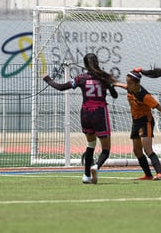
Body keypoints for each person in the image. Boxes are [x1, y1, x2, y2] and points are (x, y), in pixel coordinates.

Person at [43, 53, 118, 184]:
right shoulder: (104, 78)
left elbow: (61, 87)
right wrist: (111, 85)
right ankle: (96, 166)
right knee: (106, 149)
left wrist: (47, 79)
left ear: (85, 64)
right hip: (100, 113)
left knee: (90, 144)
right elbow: (115, 95)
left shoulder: (80, 78)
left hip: (85, 113)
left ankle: (86, 176)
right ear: (97, 63)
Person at [114, 67, 161, 180]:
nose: (127, 85)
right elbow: (124, 86)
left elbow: (160, 108)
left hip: (145, 121)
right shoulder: (130, 88)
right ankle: (148, 175)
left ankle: (160, 173)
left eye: (129, 83)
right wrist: (115, 83)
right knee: (137, 151)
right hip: (135, 121)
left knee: (147, 149)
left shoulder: (145, 96)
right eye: (126, 82)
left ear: (136, 83)